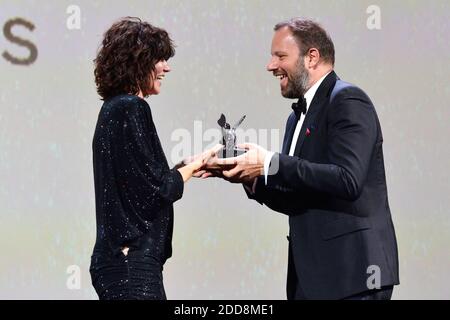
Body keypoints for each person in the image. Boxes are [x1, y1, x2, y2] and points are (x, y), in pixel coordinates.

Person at [207, 18, 399, 300]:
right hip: (312, 280)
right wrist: (250, 177)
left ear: (312, 57)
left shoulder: (348, 100)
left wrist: (271, 161)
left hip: (353, 276)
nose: (270, 66)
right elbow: (297, 198)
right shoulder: (295, 118)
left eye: (280, 56)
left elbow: (347, 180)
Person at [89, 17, 219, 300]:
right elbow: (160, 190)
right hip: (131, 264)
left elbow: (141, 184)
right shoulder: (133, 108)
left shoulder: (113, 109)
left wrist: (187, 166)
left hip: (119, 262)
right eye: (159, 59)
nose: (166, 67)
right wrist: (195, 166)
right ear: (138, 62)